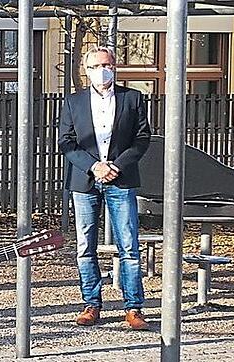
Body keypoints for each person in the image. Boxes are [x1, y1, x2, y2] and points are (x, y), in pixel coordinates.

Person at [58, 46, 152, 330]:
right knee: (85, 246)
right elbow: (66, 141)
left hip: (120, 179)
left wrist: (117, 166)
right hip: (85, 180)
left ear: (115, 66)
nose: (102, 70)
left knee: (129, 245)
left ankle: (133, 307)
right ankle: (91, 304)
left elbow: (142, 137)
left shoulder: (132, 98)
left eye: (107, 64)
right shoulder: (73, 102)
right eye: (96, 66)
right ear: (86, 70)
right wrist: (93, 166)